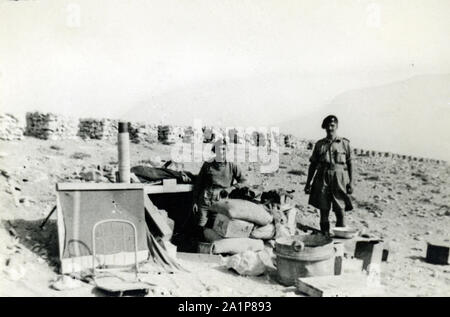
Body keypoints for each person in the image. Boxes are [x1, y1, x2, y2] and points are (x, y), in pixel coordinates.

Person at [304, 115, 354, 237]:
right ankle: (325, 235)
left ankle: (340, 237)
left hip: (339, 178)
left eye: (332, 126)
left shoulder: (344, 144)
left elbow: (350, 163)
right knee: (323, 208)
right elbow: (313, 165)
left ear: (336, 126)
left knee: (340, 209)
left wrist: (351, 182)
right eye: (327, 126)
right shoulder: (319, 144)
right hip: (322, 177)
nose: (330, 128)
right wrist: (308, 183)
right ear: (324, 128)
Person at [193, 138, 247, 229]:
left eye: (223, 149)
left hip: (221, 199)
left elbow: (244, 181)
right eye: (218, 149)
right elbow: (199, 183)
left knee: (217, 226)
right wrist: (194, 201)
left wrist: (231, 188)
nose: (221, 152)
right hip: (205, 198)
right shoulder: (207, 164)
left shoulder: (232, 165)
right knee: (200, 225)